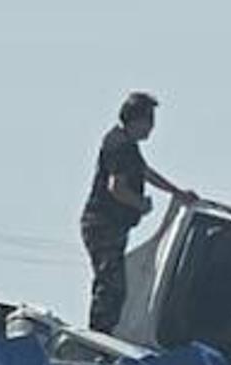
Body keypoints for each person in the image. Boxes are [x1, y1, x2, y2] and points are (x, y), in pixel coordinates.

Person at [81, 92, 197, 334]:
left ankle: (101, 331)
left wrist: (176, 192)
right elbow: (117, 187)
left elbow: (144, 171)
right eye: (149, 122)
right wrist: (139, 204)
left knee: (112, 282)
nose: (151, 129)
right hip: (103, 223)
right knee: (111, 285)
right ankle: (97, 334)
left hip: (113, 224)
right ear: (137, 120)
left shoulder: (128, 147)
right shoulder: (119, 144)